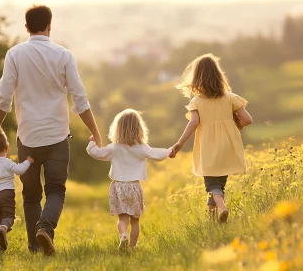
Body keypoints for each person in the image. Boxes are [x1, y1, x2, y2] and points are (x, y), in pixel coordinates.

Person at [0, 5, 101, 254]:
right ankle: (45, 229)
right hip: (57, 136)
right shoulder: (64, 55)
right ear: (50, 26)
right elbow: (80, 99)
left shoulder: (15, 54)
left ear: (26, 27)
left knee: (30, 195)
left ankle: (34, 246)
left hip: (28, 136)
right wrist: (95, 131)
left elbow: (3, 96)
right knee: (55, 190)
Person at [170, 53, 252, 223]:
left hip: (208, 148)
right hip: (228, 145)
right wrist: (237, 124)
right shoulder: (230, 98)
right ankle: (211, 217)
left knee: (212, 185)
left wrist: (180, 142)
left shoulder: (197, 102)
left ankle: (222, 208)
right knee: (219, 184)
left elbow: (193, 123)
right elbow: (248, 119)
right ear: (218, 75)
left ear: (197, 78)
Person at [86, 109, 171, 250]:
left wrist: (92, 143)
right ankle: (132, 247)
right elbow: (157, 154)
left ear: (117, 129)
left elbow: (97, 153)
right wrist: (170, 151)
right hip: (134, 187)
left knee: (122, 219)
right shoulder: (142, 148)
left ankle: (123, 235)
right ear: (139, 129)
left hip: (118, 187)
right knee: (135, 221)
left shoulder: (114, 148)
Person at [0, 128, 35, 251]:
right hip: (6, 193)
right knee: (8, 216)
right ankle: (3, 228)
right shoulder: (7, 162)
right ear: (6, 148)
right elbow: (19, 170)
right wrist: (28, 162)